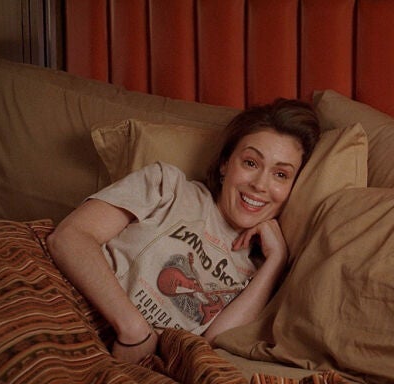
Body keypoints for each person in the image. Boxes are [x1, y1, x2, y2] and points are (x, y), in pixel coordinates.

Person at [46, 98, 321, 364]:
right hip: (68, 306)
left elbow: (211, 345)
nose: (260, 185)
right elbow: (69, 237)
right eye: (250, 163)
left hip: (137, 364)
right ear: (225, 164)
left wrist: (276, 261)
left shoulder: (260, 272)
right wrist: (133, 329)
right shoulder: (168, 186)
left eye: (280, 175)